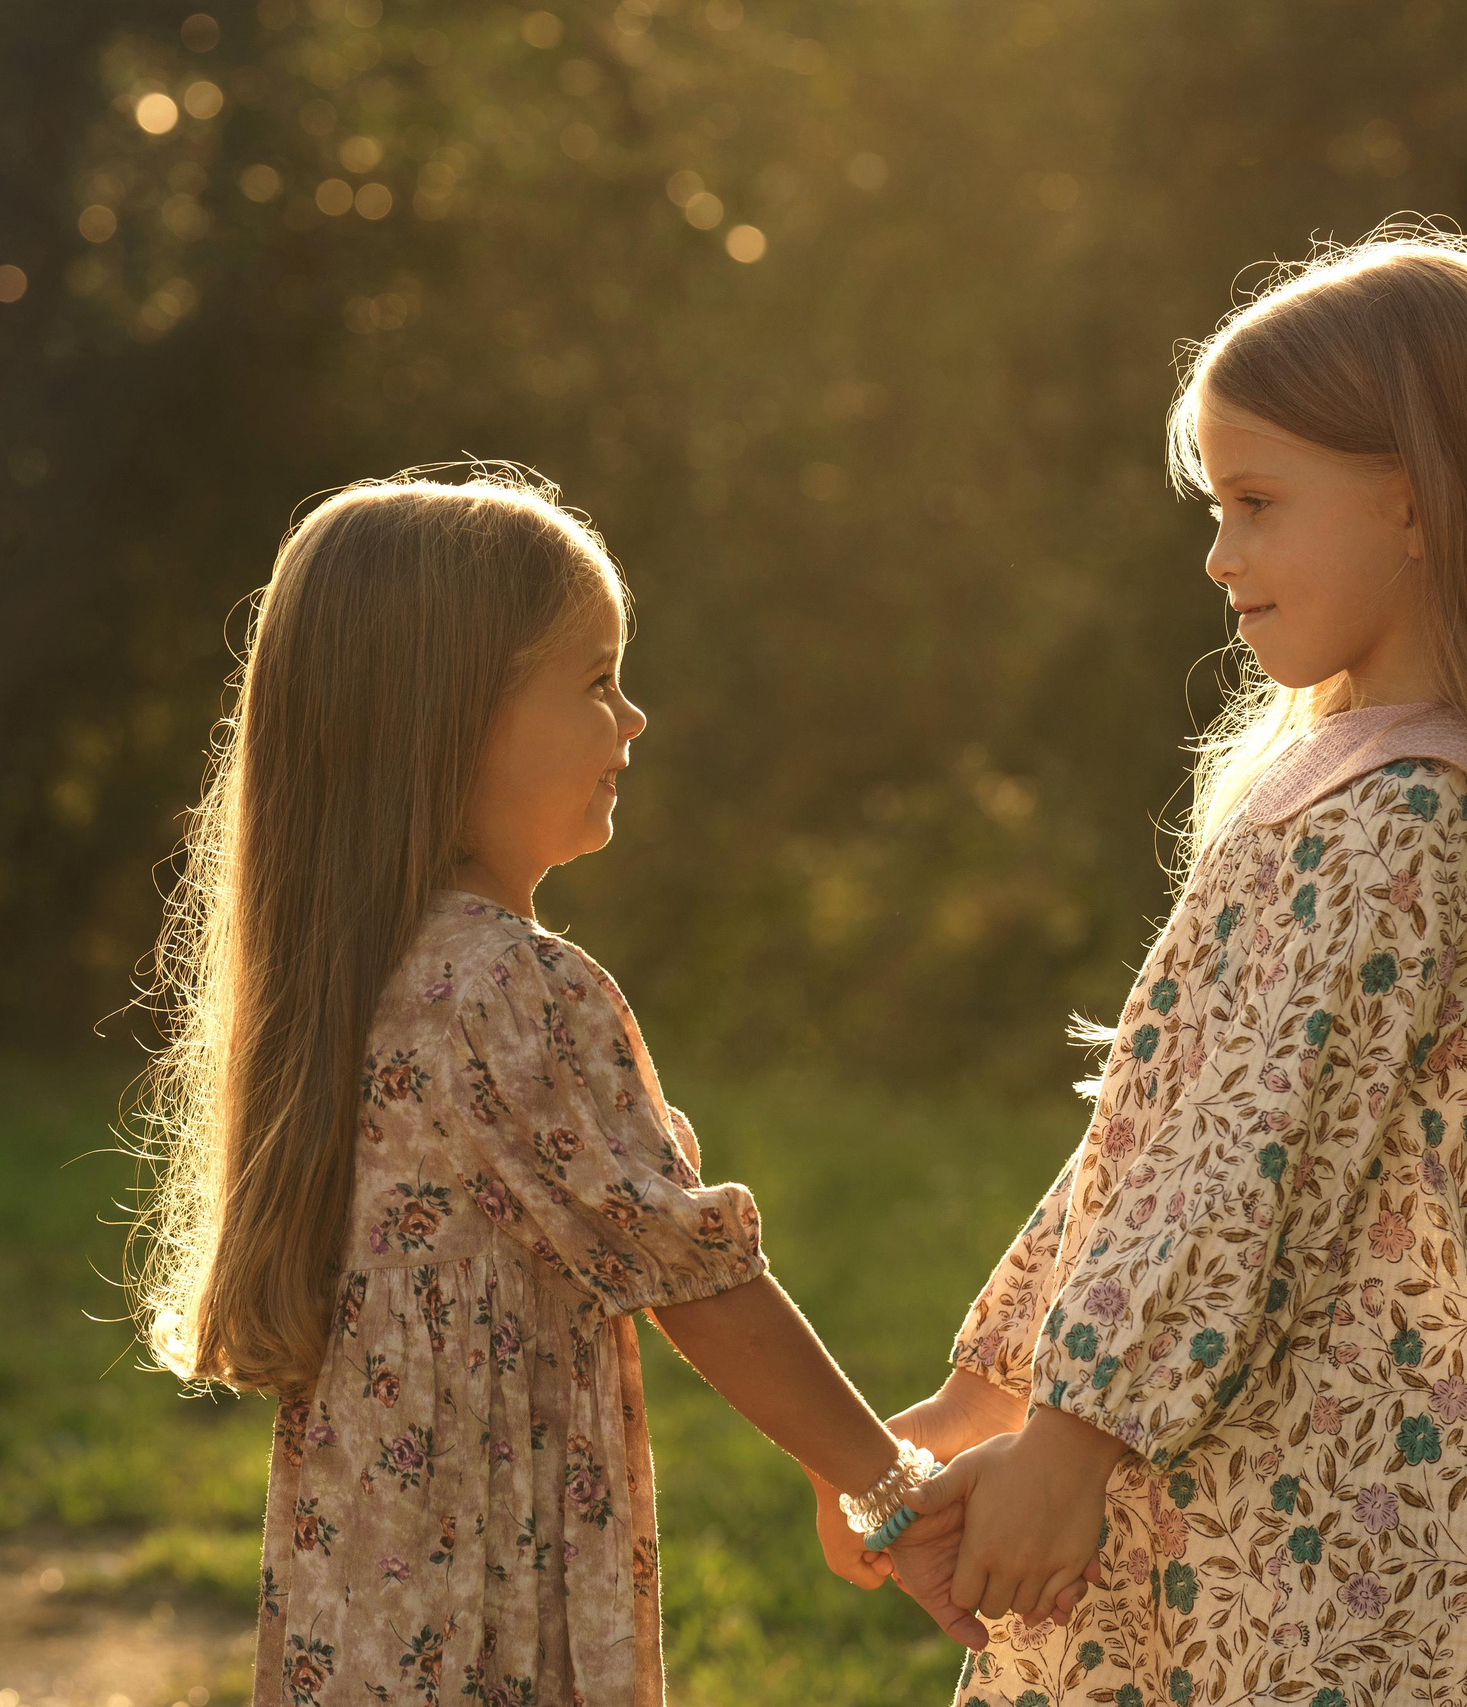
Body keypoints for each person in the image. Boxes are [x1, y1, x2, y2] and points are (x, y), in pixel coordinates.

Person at [872, 225, 1467, 1706]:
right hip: (1238, 1472)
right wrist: (992, 1389)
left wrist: (1070, 1437)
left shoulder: (1408, 820)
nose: (1220, 553)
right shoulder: (1339, 787)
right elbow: (1157, 1137)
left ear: (1412, 502)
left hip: (1325, 1519)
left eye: (1256, 501)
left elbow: (1245, 1161)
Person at [127, 469, 983, 1707]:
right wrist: (879, 1480)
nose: (632, 721)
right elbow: (691, 1275)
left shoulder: (359, 971)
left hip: (370, 1579)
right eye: (594, 683)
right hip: (490, 1563)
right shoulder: (510, 989)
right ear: (445, 719)